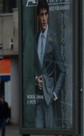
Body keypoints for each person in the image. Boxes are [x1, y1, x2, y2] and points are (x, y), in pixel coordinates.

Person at [33, 0, 66, 129]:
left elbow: (62, 70)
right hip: (37, 95)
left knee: (50, 130)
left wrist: (55, 94)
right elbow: (32, 66)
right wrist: (36, 78)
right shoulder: (35, 38)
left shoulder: (53, 37)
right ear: (38, 17)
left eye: (46, 14)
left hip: (49, 96)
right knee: (37, 131)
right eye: (42, 15)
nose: (44, 18)